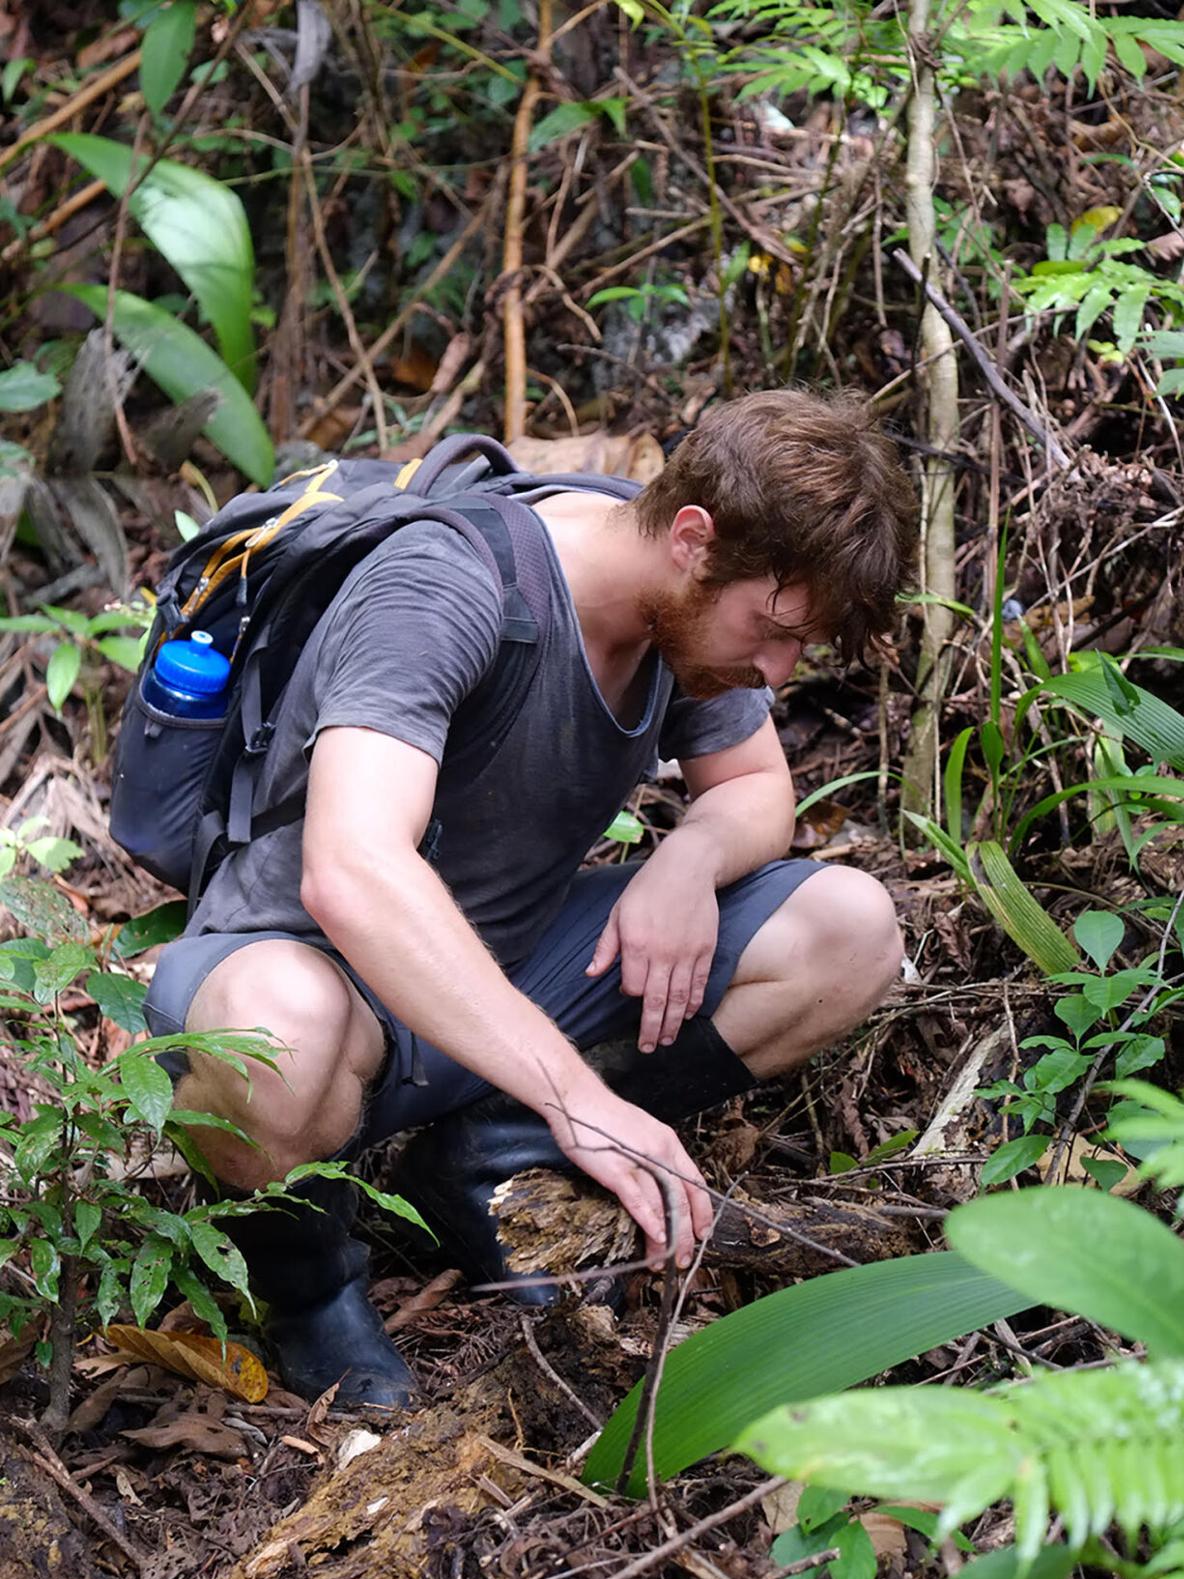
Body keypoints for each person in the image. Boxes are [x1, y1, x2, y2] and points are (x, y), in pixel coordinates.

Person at [142, 387, 918, 1410]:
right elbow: (352, 872)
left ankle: (480, 1163)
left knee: (849, 929)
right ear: (693, 536)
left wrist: (687, 864)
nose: (775, 669)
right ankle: (311, 1288)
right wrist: (578, 1093)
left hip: (506, 972)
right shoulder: (447, 586)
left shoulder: (692, 612)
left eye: (797, 647)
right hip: (311, 970)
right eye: (772, 632)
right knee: (275, 1031)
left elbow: (758, 791)